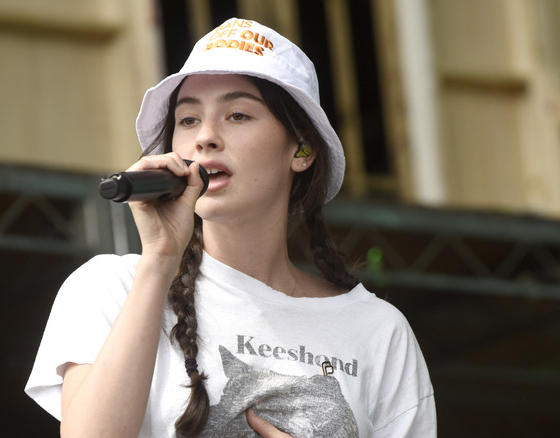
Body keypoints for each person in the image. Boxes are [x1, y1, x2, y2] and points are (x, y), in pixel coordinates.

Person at [25, 17, 436, 438]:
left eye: (237, 115)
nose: (205, 136)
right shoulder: (111, 285)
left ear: (303, 148)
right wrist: (160, 259)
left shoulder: (378, 330)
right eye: (187, 120)